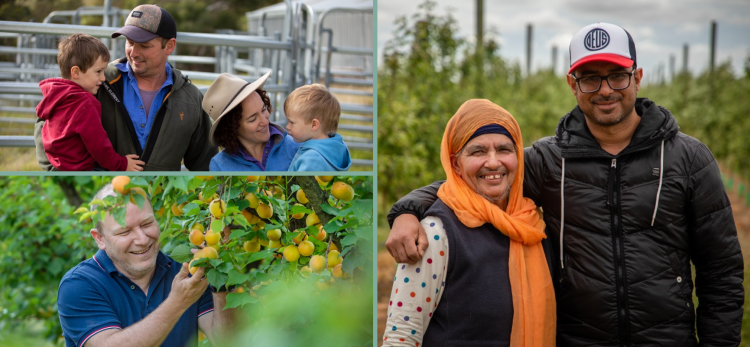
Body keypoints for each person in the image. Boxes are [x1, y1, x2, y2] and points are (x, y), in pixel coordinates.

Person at [385, 22, 744, 346]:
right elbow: (476, 178)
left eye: (617, 75)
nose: (605, 90)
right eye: (590, 77)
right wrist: (406, 211)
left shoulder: (689, 159)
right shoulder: (550, 160)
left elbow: (722, 272)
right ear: (573, 85)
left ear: (637, 78)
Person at [382, 99, 555, 346]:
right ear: (455, 164)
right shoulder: (435, 233)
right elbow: (401, 336)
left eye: (505, 150)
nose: (494, 162)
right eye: (478, 151)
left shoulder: (532, 227)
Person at [35, 4, 217, 171]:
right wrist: (58, 174)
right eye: (129, 42)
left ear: (169, 46)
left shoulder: (190, 98)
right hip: (103, 200)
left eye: (145, 45)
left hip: (162, 202)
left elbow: (205, 164)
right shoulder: (97, 81)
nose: (134, 52)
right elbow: (50, 125)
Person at [57, 184, 235, 347]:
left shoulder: (187, 274)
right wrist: (178, 302)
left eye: (147, 223)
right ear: (100, 238)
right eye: (125, 231)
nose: (142, 240)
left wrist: (220, 281)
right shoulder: (79, 285)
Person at [36, 33, 144, 172]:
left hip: (58, 165)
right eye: (98, 71)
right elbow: (98, 144)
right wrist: (121, 164)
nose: (103, 78)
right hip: (81, 168)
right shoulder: (85, 102)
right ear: (76, 72)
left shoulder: (56, 95)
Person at [203, 72, 300, 171]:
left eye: (263, 109)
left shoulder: (296, 147)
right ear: (232, 127)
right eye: (253, 119)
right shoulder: (220, 166)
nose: (265, 122)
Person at [284, 84, 351, 171]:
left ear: (314, 125)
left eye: (292, 122)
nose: (287, 126)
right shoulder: (338, 148)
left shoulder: (311, 160)